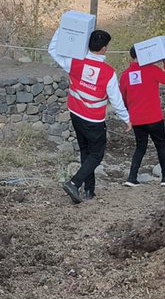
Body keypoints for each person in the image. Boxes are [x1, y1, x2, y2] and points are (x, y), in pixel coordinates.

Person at [48, 28, 130, 204]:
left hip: (76, 114)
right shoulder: (108, 72)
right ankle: (74, 183)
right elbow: (115, 100)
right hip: (94, 119)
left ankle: (89, 190)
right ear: (104, 49)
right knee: (96, 154)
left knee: (86, 152)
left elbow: (52, 50)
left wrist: (62, 29)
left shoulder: (75, 62)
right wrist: (126, 118)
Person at [120, 46, 165, 187]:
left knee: (140, 146)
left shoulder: (126, 74)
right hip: (154, 117)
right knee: (161, 146)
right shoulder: (152, 70)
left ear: (131, 56)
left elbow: (123, 97)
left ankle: (131, 178)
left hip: (137, 119)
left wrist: (129, 112)